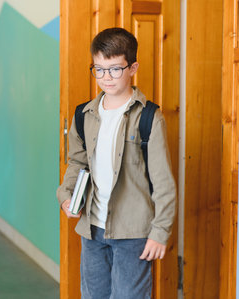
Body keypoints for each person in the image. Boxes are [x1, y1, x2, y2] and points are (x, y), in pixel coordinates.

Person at [56, 27, 176, 299]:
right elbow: (76, 163)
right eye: (98, 69)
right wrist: (66, 196)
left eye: (114, 69)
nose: (105, 77)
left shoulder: (149, 118)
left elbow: (163, 182)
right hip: (92, 229)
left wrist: (160, 232)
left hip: (133, 233)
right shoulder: (83, 114)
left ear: (133, 68)